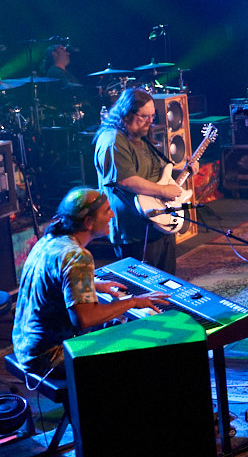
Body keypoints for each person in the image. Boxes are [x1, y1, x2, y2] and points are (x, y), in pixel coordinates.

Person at [12, 187, 169, 378]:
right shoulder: (78, 256)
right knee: (139, 341)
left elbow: (52, 280)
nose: (112, 215)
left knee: (118, 322)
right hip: (51, 356)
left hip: (26, 346)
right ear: (88, 222)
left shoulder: (50, 240)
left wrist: (92, 285)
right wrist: (133, 301)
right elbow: (85, 319)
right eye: (106, 211)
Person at [94, 88, 196, 274]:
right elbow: (126, 180)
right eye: (144, 116)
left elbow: (155, 174)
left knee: (166, 284)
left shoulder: (140, 137)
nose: (150, 121)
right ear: (126, 115)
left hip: (158, 221)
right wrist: (163, 191)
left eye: (152, 115)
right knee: (142, 290)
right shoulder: (113, 140)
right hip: (134, 230)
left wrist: (184, 171)